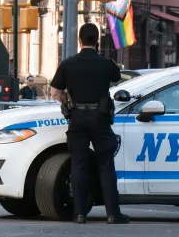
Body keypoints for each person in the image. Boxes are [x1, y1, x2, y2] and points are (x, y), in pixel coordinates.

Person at [50, 23, 129, 225]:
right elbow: (116, 78)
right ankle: (112, 214)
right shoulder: (106, 64)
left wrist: (68, 101)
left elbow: (55, 92)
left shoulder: (68, 64)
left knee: (78, 164)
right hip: (100, 117)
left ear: (79, 40)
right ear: (97, 41)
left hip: (77, 117)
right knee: (106, 164)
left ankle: (79, 213)